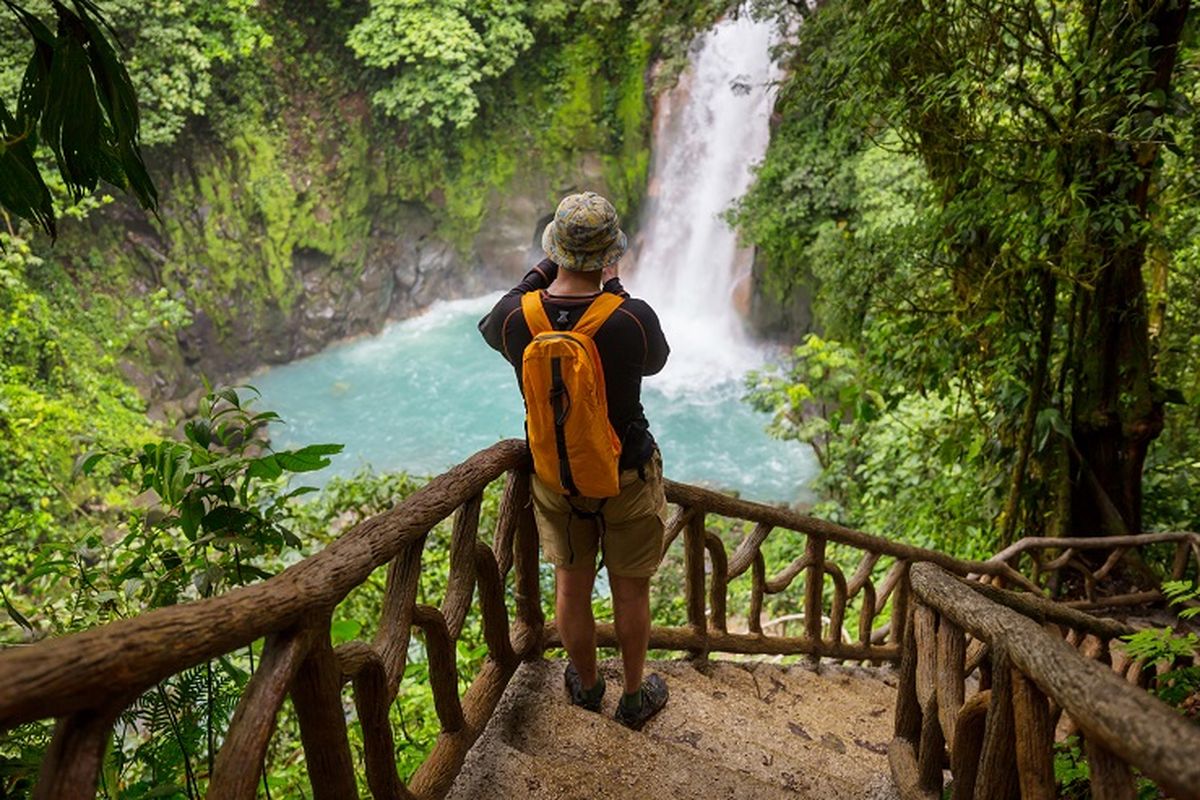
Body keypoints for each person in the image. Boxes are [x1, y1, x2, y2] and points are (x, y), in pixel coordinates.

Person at [478, 191, 671, 730]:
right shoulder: (629, 317)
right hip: (625, 474)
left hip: (555, 476)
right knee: (631, 589)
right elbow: (655, 362)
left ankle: (586, 687)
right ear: (610, 254)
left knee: (571, 583)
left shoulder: (519, 318)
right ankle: (634, 697)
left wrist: (540, 273)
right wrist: (616, 289)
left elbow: (490, 325)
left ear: (554, 251)